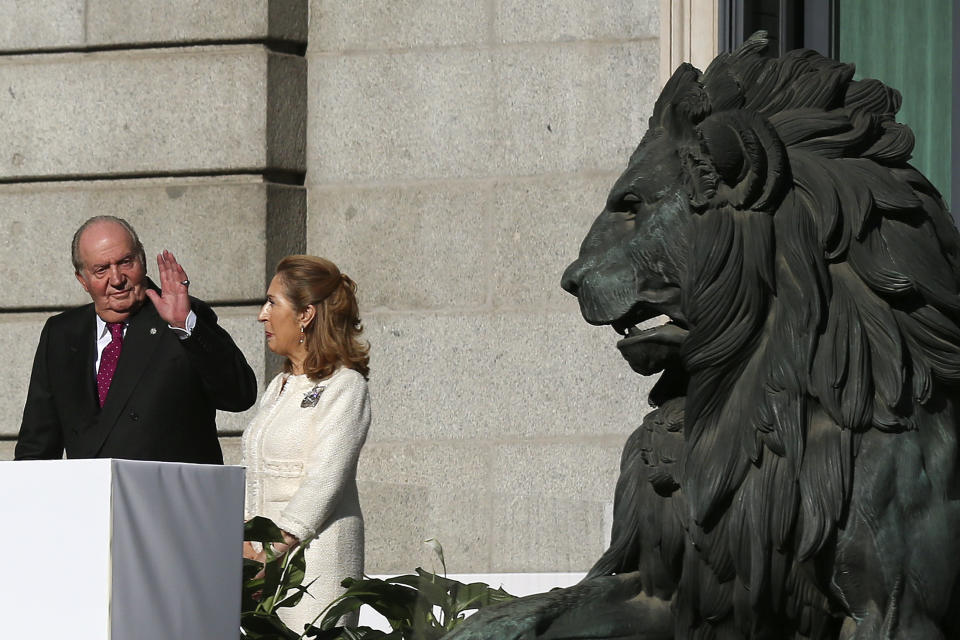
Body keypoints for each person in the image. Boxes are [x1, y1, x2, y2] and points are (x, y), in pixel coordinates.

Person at [15, 215, 257, 463]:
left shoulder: (182, 319)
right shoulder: (62, 333)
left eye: (125, 262)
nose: (117, 279)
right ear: (83, 280)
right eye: (101, 270)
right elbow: (36, 446)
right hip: (94, 498)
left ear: (142, 260)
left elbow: (240, 396)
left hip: (169, 495)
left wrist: (185, 325)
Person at [242, 255, 371, 632]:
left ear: (305, 315)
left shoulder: (346, 386)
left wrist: (268, 549)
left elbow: (324, 481)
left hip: (316, 564)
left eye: (272, 302)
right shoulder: (278, 387)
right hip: (263, 566)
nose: (262, 316)